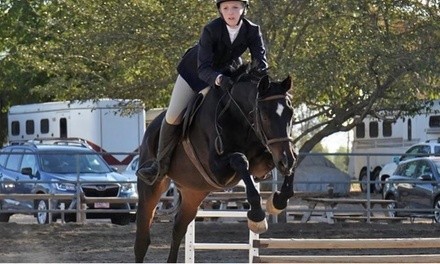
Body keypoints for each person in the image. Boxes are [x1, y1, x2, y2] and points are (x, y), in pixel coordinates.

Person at [136, 0, 268, 184]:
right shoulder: (211, 29)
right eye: (226, 8)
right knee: (174, 115)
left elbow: (261, 60)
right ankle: (160, 165)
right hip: (195, 73)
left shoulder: (252, 30)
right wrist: (219, 79)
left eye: (235, 7)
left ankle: (258, 156)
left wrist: (258, 75)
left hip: (229, 71)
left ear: (244, 9)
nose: (231, 12)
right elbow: (204, 68)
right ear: (220, 11)